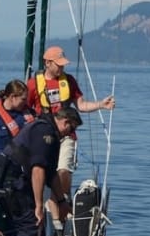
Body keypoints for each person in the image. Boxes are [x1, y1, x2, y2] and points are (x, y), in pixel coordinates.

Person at [0, 107, 82, 236]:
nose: (70, 134)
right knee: (30, 227)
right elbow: (38, 169)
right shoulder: (45, 133)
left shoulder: (50, 133)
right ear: (65, 122)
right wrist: (39, 206)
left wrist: (62, 202)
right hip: (11, 186)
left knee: (37, 231)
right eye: (71, 129)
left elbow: (51, 174)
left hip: (14, 184)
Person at [26, 46, 115, 224]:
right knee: (44, 172)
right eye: (58, 65)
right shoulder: (34, 84)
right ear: (47, 63)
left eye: (63, 64)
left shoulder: (69, 81)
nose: (61, 68)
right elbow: (26, 109)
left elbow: (81, 105)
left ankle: (59, 203)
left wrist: (101, 105)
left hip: (67, 135)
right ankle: (54, 215)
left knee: (63, 170)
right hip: (44, 135)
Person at [0, 79, 34, 156]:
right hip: (3, 164)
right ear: (12, 97)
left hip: (26, 162)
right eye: (23, 99)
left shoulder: (30, 113)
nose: (26, 102)